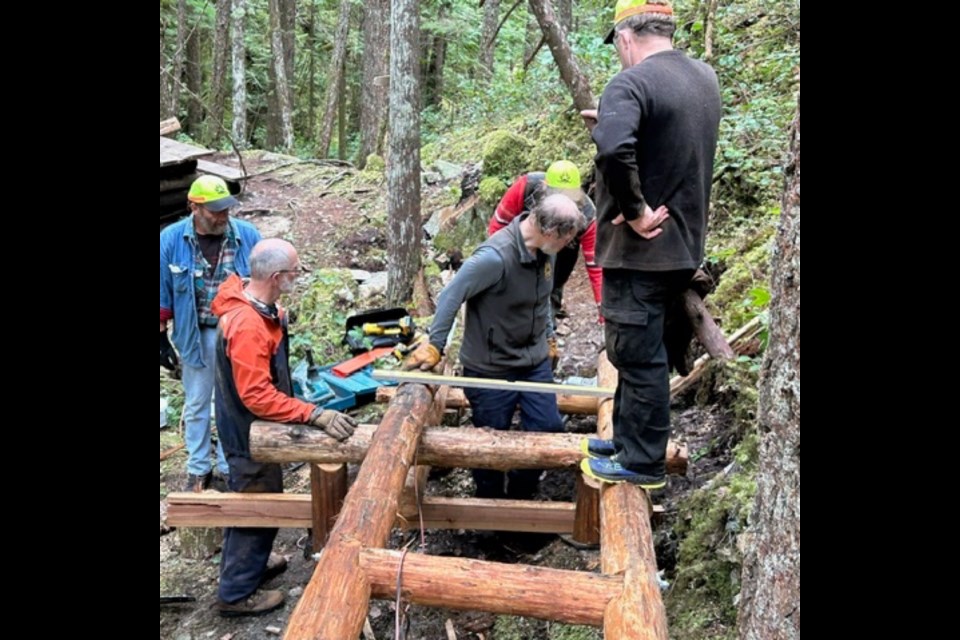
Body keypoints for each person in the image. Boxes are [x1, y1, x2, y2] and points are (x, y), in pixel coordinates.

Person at [579, 0, 721, 489]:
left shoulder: (630, 83)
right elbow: (670, 145)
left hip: (641, 253)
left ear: (625, 37)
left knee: (636, 355)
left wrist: (635, 212)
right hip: (682, 247)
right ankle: (625, 439)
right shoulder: (702, 78)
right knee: (648, 350)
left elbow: (615, 149)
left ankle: (641, 463)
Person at [211, 238, 358, 617]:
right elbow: (257, 395)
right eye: (294, 273)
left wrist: (276, 319)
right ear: (277, 276)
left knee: (255, 496)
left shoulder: (255, 305)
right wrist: (312, 414)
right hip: (248, 430)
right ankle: (235, 593)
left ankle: (250, 566)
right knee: (257, 504)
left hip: (253, 425)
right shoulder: (246, 325)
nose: (297, 277)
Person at [404, 194, 582, 499]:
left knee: (548, 426)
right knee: (490, 440)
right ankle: (489, 500)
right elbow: (451, 295)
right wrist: (435, 344)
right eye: (567, 239)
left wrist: (549, 338)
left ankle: (521, 493)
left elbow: (543, 301)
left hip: (533, 362)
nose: (569, 246)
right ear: (550, 231)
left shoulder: (546, 251)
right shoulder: (494, 258)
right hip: (491, 366)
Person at [160, 175, 262, 491]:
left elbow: (262, 285)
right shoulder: (171, 240)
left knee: (238, 401)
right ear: (195, 206)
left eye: (226, 209)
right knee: (197, 402)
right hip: (197, 331)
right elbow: (161, 290)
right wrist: (160, 333)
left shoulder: (247, 236)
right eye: (215, 210)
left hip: (240, 332)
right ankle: (199, 470)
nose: (222, 216)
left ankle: (237, 466)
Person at [489, 160, 602, 320]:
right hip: (520, 248)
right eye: (557, 195)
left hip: (561, 260)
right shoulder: (526, 187)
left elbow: (595, 264)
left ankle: (547, 333)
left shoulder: (588, 216)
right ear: (543, 186)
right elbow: (498, 226)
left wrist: (602, 307)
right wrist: (498, 267)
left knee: (548, 307)